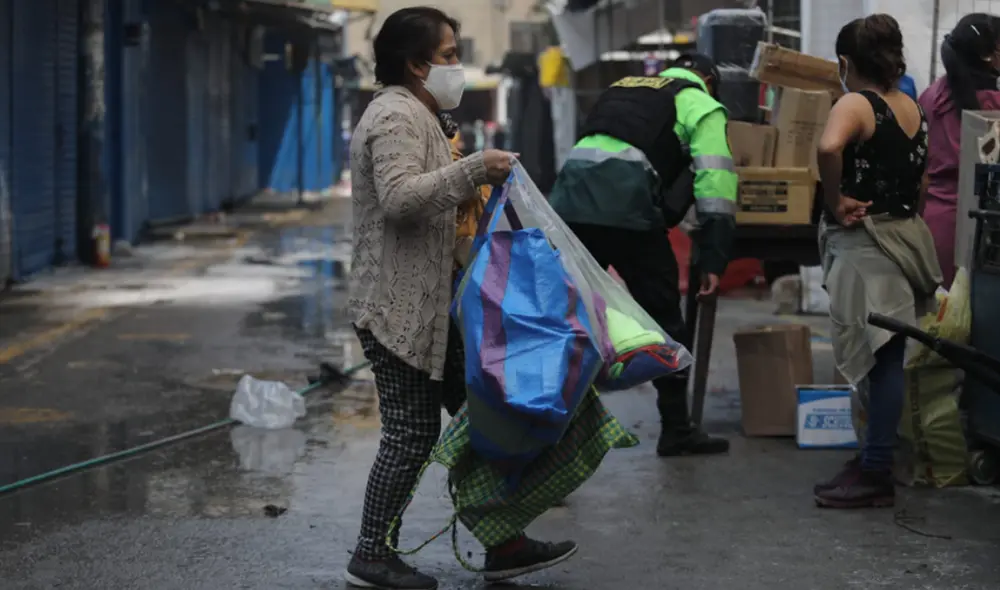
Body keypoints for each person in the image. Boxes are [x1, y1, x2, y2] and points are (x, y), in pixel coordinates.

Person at [346, 7, 576, 589]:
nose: (457, 66)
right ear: (415, 64)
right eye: (448, 56)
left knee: (480, 421)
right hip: (396, 311)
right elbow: (399, 198)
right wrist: (474, 168)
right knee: (410, 433)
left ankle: (503, 543)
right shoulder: (395, 116)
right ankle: (372, 552)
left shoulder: (427, 115)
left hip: (439, 308)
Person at [548, 53, 736, 457]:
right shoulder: (701, 102)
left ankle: (553, 437)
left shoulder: (624, 89)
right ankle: (676, 429)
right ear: (707, 79)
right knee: (665, 319)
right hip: (628, 207)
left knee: (571, 319)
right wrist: (715, 259)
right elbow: (714, 185)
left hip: (569, 202)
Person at [813, 14, 942, 509]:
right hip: (904, 236)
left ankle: (876, 470)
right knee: (882, 356)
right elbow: (924, 180)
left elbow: (829, 146)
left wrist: (834, 198)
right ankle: (871, 457)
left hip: (867, 247)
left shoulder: (854, 101)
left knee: (879, 358)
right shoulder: (910, 104)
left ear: (845, 63)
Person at [919, 14, 1000, 289]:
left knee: (939, 320)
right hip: (987, 227)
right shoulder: (994, 103)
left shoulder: (930, 96)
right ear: (990, 56)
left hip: (934, 224)